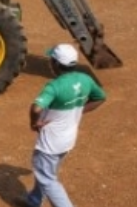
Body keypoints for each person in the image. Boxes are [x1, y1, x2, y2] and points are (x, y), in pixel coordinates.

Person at [23, 44, 106, 207]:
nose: (49, 63)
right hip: (68, 140)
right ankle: (33, 200)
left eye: (51, 60)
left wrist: (34, 122)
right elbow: (100, 97)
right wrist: (78, 110)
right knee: (47, 172)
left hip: (50, 144)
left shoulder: (54, 86)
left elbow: (36, 107)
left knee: (47, 178)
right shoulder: (85, 79)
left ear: (56, 64)